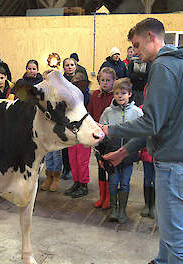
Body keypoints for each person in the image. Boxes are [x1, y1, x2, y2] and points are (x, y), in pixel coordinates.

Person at [101, 18, 183, 264]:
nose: (136, 53)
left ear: (151, 37)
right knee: (168, 223)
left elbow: (150, 123)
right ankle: (162, 260)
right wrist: (125, 151)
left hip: (175, 161)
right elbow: (161, 125)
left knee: (175, 231)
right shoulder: (176, 65)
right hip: (178, 157)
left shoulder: (163, 67)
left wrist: (109, 130)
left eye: (137, 45)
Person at [99, 78, 143, 223]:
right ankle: (113, 209)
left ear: (130, 94)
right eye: (117, 93)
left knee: (124, 182)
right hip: (111, 155)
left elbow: (142, 133)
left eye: (123, 93)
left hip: (128, 156)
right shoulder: (107, 112)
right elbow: (101, 134)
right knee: (113, 181)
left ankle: (122, 210)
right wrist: (101, 154)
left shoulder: (137, 112)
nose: (120, 96)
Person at [88, 67, 115, 209]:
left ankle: (109, 198)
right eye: (102, 80)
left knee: (109, 167)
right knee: (100, 167)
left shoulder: (114, 97)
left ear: (113, 81)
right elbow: (90, 114)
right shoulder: (95, 95)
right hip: (97, 136)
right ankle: (102, 196)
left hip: (110, 138)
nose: (105, 83)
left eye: (108, 80)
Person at [64, 72, 91, 198]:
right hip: (72, 131)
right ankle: (76, 182)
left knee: (82, 160)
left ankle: (83, 185)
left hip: (84, 132)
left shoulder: (87, 97)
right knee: (73, 159)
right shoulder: (70, 98)